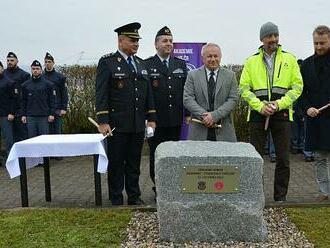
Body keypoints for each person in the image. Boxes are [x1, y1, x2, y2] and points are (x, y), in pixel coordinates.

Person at [239, 22, 303, 202]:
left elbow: (297, 87)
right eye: (269, 36)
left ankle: (280, 198)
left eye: (275, 35)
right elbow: (244, 89)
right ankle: (256, 196)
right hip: (258, 115)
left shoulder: (290, 59)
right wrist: (260, 106)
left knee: (283, 159)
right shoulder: (251, 61)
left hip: (281, 114)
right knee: (256, 159)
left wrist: (279, 104)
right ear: (262, 39)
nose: (273, 39)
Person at [95, 22, 156, 206]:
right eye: (132, 40)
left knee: (133, 163)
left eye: (137, 40)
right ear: (121, 41)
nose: (136, 44)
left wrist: (151, 118)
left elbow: (148, 95)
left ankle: (134, 196)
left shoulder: (140, 64)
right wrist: (103, 121)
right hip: (116, 124)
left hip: (137, 124)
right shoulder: (108, 63)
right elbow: (101, 93)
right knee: (116, 163)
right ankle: (115, 197)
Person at [144, 26, 188, 198]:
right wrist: (148, 118)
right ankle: (159, 188)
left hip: (175, 120)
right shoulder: (147, 65)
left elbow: (186, 92)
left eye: (170, 41)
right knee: (156, 155)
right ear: (156, 44)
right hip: (155, 121)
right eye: (164, 41)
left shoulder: (180, 64)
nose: (168, 44)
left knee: (174, 155)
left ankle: (173, 186)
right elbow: (146, 95)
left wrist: (188, 114)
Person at [183, 43, 238, 141]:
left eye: (216, 56)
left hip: (224, 131)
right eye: (209, 56)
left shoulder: (230, 76)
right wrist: (205, 117)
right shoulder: (192, 75)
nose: (213, 59)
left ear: (220, 57)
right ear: (202, 58)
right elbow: (188, 99)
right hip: (199, 131)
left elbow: (233, 99)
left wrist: (214, 116)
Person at [300, 25, 330, 202]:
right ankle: (324, 192)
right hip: (315, 119)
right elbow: (300, 93)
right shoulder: (306, 65)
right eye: (316, 43)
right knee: (319, 157)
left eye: (322, 43)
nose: (319, 47)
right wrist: (307, 108)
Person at [21, 60, 55, 139]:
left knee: (44, 139)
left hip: (44, 116)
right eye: (33, 69)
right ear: (31, 70)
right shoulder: (25, 85)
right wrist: (23, 115)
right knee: (32, 139)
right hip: (30, 117)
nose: (35, 70)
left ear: (41, 70)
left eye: (37, 68)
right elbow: (23, 101)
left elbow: (52, 100)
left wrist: (51, 114)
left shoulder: (48, 84)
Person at [4, 52, 30, 142]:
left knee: (21, 136)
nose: (9, 62)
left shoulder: (24, 75)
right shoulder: (3, 74)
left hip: (19, 111)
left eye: (12, 60)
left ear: (17, 61)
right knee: (8, 136)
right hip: (6, 111)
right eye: (8, 60)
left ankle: (22, 156)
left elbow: (26, 94)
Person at [43, 53, 68, 135]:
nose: (47, 63)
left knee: (57, 133)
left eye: (49, 62)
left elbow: (64, 93)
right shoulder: (41, 77)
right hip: (45, 109)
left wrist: (64, 108)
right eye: (46, 62)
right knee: (47, 133)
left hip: (57, 109)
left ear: (53, 63)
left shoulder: (60, 77)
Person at [0, 61, 15, 160]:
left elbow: (13, 99)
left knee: (8, 139)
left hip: (5, 114)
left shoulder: (9, 82)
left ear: (2, 68)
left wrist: (11, 112)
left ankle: (10, 159)